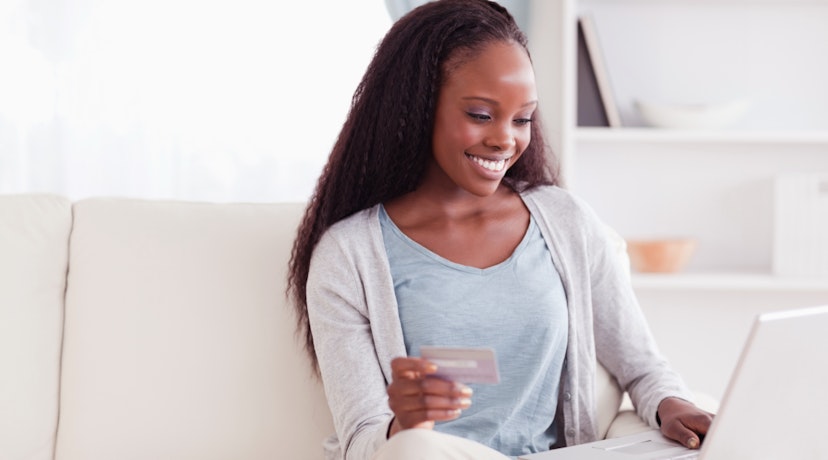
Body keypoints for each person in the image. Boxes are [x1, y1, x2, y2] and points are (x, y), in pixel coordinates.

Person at [287, 1, 714, 458]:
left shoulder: (566, 221)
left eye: (522, 118)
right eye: (480, 114)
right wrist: (405, 426)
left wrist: (671, 405)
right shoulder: (347, 255)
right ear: (418, 105)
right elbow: (362, 438)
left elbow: (643, 368)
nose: (505, 139)